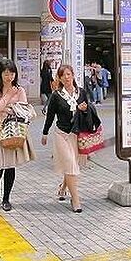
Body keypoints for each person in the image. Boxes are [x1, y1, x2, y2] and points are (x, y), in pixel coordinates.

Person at [0, 58, 35, 212]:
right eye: (6, 74)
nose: (9, 77)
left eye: (12, 73)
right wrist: (8, 98)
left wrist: (5, 108)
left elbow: (23, 110)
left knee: (10, 165)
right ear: (0, 74)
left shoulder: (20, 90)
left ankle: (6, 198)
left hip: (13, 129)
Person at [41, 64, 88, 213]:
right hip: (61, 134)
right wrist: (45, 133)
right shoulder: (56, 95)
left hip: (76, 134)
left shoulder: (81, 92)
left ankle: (62, 188)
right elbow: (50, 116)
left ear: (73, 75)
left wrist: (84, 109)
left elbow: (89, 112)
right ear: (59, 78)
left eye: (68, 74)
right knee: (70, 164)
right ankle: (76, 200)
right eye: (63, 75)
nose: (66, 78)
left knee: (71, 165)